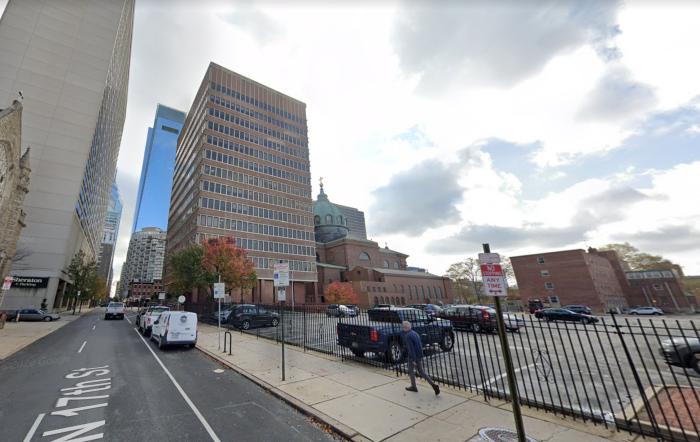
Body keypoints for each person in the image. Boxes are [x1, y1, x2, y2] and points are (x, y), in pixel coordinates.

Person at [402, 320, 440, 395]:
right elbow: (419, 344)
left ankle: (414, 386)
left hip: (413, 356)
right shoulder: (415, 333)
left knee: (411, 371)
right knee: (422, 372)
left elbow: (411, 348)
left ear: (405, 327)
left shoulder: (408, 336)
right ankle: (434, 385)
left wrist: (413, 359)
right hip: (420, 355)